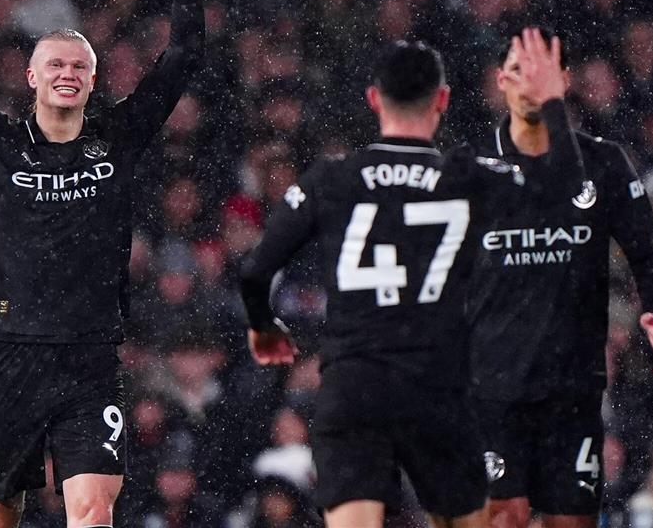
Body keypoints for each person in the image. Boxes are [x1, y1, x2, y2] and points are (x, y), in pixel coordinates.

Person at [0, 0, 203, 528]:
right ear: (31, 76)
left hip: (90, 361)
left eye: (79, 64)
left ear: (93, 80)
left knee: (93, 513)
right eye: (54, 63)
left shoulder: (117, 139)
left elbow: (182, 57)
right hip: (10, 357)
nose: (66, 72)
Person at [240, 30, 581, 528]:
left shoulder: (332, 178)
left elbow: (254, 271)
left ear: (374, 99)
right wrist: (548, 103)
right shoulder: (466, 178)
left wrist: (262, 324)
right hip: (436, 384)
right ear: (441, 100)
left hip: (354, 384)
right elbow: (567, 192)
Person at [467, 31, 653, 528]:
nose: (530, 85)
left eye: (543, 73)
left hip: (573, 386)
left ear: (565, 82)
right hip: (494, 386)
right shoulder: (472, 168)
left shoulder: (603, 161)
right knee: (503, 517)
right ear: (500, 83)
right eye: (519, 71)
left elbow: (647, 254)